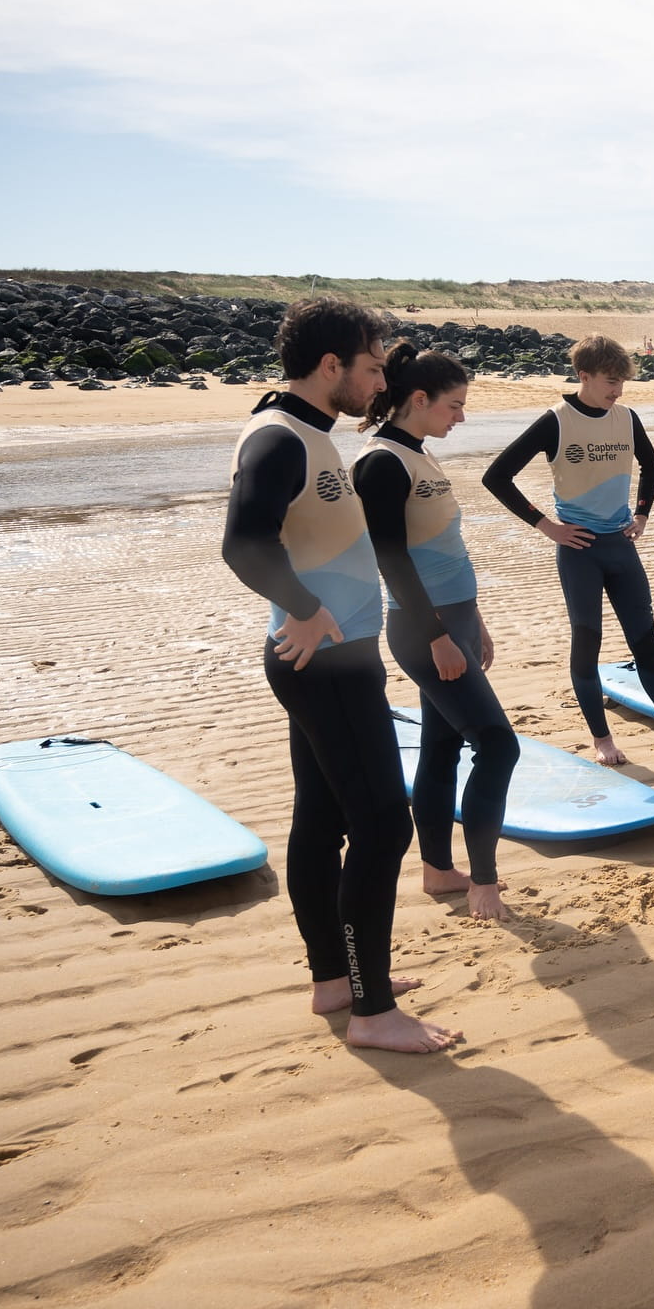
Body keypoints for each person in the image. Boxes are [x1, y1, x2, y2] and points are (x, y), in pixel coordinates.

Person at [222, 297, 458, 1054]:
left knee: (323, 823)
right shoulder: (279, 438)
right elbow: (243, 543)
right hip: (322, 663)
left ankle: (336, 979)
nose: (379, 379)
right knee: (385, 823)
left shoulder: (308, 432)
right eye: (370, 366)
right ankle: (372, 1010)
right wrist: (303, 608)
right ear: (332, 367)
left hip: (334, 660)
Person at [483, 334, 654, 766]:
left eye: (622, 383)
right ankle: (602, 740)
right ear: (585, 376)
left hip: (620, 547)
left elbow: (651, 465)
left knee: (646, 643)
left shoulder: (627, 418)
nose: (618, 391)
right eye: (611, 381)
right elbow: (497, 476)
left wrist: (643, 514)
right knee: (587, 644)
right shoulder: (556, 421)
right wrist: (546, 526)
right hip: (580, 551)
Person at [352, 344, 519, 924]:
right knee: (499, 745)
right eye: (454, 405)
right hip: (425, 629)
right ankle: (484, 884)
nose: (461, 417)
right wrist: (437, 636)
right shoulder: (381, 463)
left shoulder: (416, 454)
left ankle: (438, 871)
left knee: (443, 746)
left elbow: (443, 551)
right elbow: (390, 559)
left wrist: (475, 623)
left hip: (454, 621)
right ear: (418, 399)